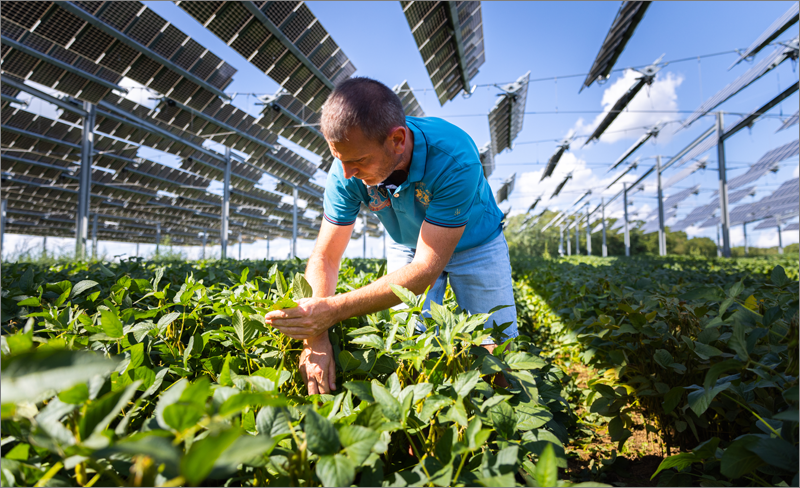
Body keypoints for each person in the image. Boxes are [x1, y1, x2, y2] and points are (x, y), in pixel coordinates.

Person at [265, 77, 518, 394]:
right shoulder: (346, 170)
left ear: (398, 140)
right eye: (340, 159)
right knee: (407, 344)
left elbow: (426, 268)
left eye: (357, 161)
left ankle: (506, 425)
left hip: (476, 244)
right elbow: (325, 257)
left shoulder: (453, 157)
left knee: (496, 348)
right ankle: (420, 421)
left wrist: (333, 311)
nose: (347, 173)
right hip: (409, 246)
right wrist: (315, 336)